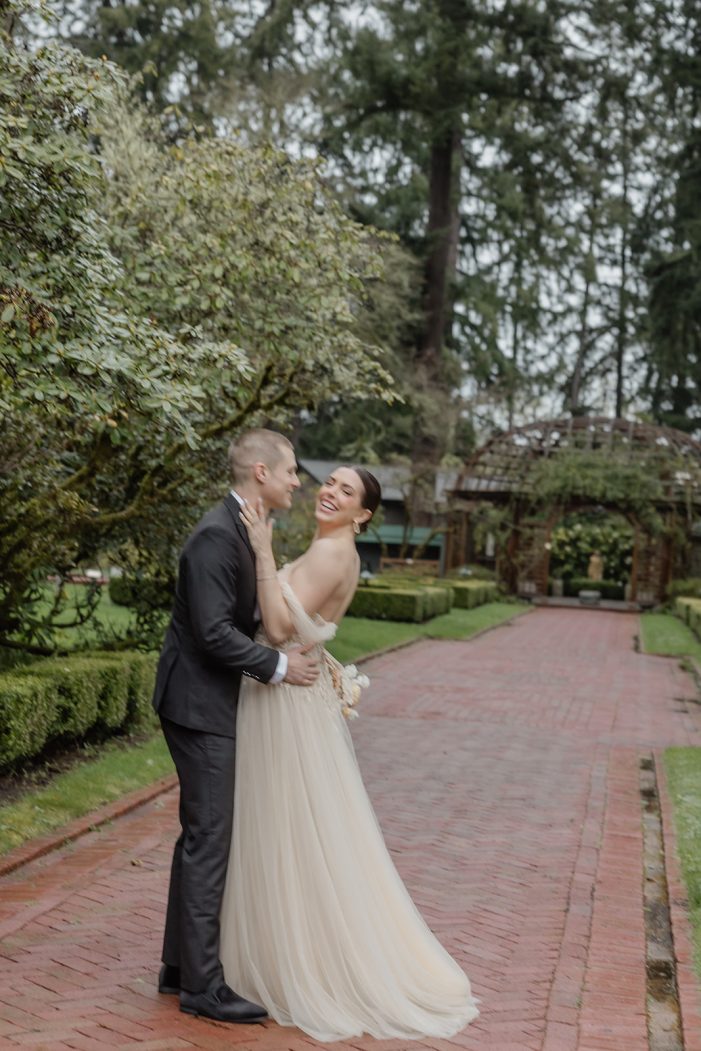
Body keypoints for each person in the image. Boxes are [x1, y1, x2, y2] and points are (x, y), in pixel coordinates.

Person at [220, 465, 479, 1042]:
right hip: (286, 695)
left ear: (362, 514)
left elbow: (281, 625)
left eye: (347, 491)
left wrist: (263, 552)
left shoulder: (335, 554)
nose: (330, 492)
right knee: (293, 828)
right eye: (330, 482)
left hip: (283, 704)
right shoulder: (331, 547)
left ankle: (292, 962)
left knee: (286, 828)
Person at [152, 429, 320, 1024]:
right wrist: (279, 666)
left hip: (206, 703)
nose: (298, 481)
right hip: (197, 708)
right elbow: (213, 633)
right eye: (291, 470)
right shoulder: (215, 538)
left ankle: (180, 969)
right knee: (210, 838)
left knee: (199, 835)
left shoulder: (244, 531)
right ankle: (204, 988)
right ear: (259, 472)